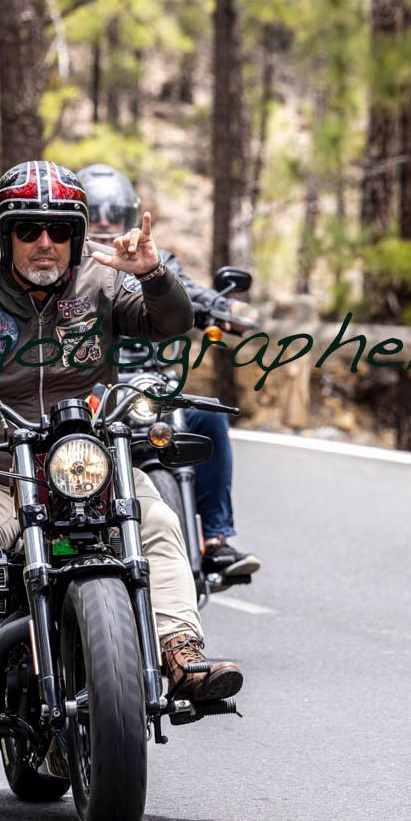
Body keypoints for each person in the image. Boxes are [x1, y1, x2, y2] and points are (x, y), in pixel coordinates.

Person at [0, 160, 244, 722]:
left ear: (77, 235)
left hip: (89, 461)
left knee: (157, 521)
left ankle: (181, 651)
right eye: (28, 229)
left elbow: (169, 322)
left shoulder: (104, 280)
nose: (45, 243)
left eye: (59, 230)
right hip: (1, 471)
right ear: (3, 233)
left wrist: (154, 275)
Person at [80, 164, 261, 584]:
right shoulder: (71, 270)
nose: (106, 224)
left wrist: (226, 308)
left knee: (208, 416)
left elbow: (182, 288)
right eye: (96, 214)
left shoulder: (151, 258)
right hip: (94, 390)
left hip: (150, 386)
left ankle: (215, 541)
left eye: (115, 213)